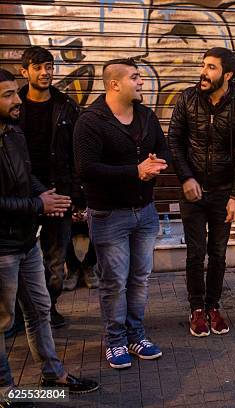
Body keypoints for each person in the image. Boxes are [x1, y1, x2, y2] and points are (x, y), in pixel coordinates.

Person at [0, 68, 99, 403]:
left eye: (16, 92)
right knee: (2, 320)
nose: (18, 100)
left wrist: (52, 198)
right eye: (8, 95)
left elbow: (28, 177)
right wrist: (36, 204)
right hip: (2, 247)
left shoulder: (13, 133)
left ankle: (53, 376)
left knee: (40, 310)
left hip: (25, 242)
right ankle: (5, 390)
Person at [74, 58, 170, 369]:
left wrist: (157, 163)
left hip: (145, 213)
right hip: (108, 216)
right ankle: (115, 341)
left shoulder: (145, 115)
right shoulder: (91, 121)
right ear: (115, 84)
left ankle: (135, 334)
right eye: (136, 77)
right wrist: (134, 172)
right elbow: (86, 169)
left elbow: (164, 150)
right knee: (114, 281)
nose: (142, 82)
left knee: (140, 278)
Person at [168, 47, 235, 338]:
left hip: (223, 193)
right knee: (195, 253)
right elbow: (174, 141)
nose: (203, 73)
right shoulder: (187, 98)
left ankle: (213, 306)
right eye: (204, 66)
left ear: (227, 74)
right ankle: (196, 309)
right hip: (192, 191)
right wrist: (186, 177)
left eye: (211, 67)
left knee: (218, 253)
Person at [18, 46, 81, 328]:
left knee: (55, 262)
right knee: (19, 258)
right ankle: (24, 312)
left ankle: (49, 307)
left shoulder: (66, 106)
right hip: (22, 195)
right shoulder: (12, 106)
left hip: (59, 193)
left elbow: (78, 153)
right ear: (25, 71)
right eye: (38, 67)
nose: (45, 73)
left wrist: (78, 197)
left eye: (50, 67)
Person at [63, 209, 98, 291]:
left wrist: (90, 213)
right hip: (68, 212)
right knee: (60, 229)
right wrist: (68, 215)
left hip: (92, 212)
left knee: (101, 229)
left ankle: (88, 264)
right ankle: (72, 266)